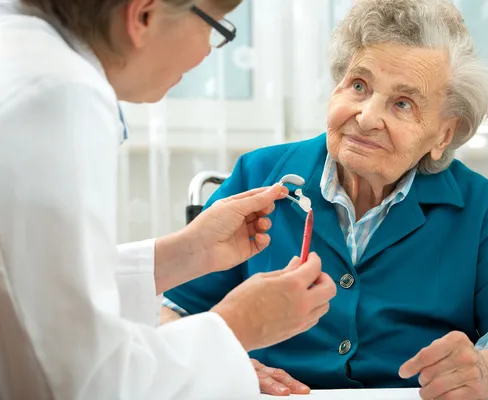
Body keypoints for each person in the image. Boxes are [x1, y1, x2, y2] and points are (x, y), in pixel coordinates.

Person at [162, 0, 488, 399]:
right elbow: (166, 313)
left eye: (402, 103)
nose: (367, 116)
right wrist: (224, 362)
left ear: (444, 134)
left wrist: (485, 371)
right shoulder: (259, 174)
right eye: (359, 86)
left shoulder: (477, 207)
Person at [0, 0, 336, 398]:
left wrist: (185, 253)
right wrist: (239, 326)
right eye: (215, 27)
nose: (210, 50)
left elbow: (31, 286)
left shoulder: (25, 56)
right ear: (143, 15)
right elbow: (83, 382)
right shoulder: (60, 95)